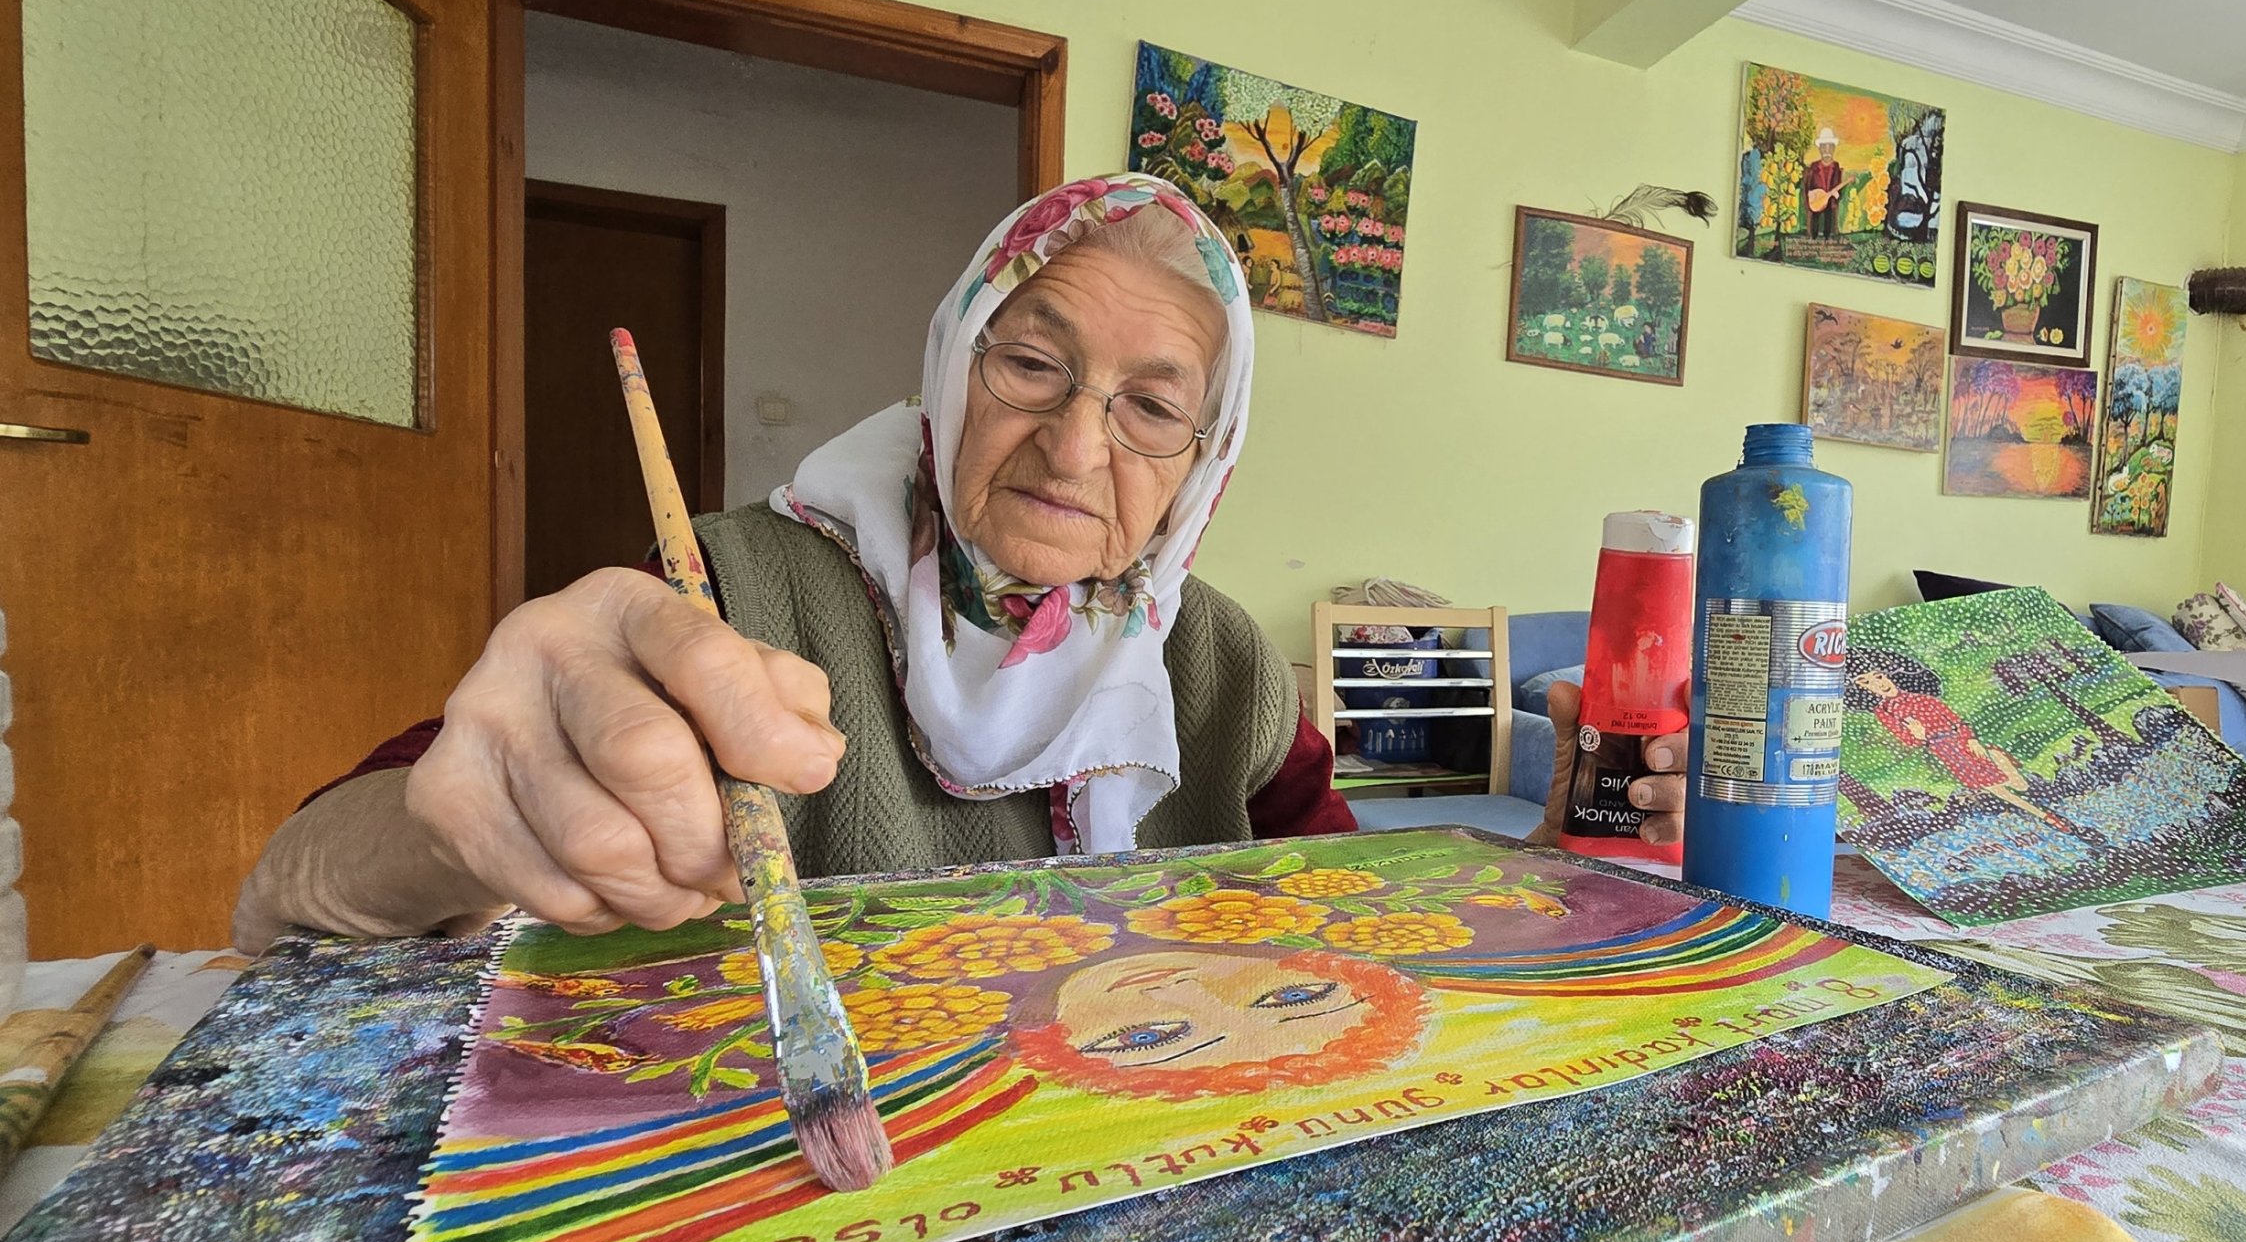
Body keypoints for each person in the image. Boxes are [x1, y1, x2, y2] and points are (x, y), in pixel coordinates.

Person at [234, 174, 1687, 955]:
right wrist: (452, 827)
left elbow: (1365, 929)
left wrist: (1561, 873)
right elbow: (296, 885)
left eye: (1152, 408)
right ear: (947, 370)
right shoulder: (728, 597)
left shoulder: (1217, 661)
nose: (1072, 448)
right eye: (1033, 363)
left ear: (1203, 459)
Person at [1844, 647, 2067, 831]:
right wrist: (1918, 734)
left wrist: (1971, 739)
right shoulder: (1884, 712)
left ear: (1888, 674)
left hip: (1960, 740)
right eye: (1866, 682)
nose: (1877, 684)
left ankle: (2040, 799)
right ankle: (2045, 816)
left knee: (2014, 778)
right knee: (1996, 789)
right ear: (1862, 689)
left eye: (1878, 677)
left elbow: (1956, 721)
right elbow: (1909, 741)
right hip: (1943, 749)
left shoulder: (1922, 699)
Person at [1803, 127, 1842, 238]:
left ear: (1833, 149)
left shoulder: (1836, 166)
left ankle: (1827, 236)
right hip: (1817, 197)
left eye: (1829, 147)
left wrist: (1837, 193)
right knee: (1816, 215)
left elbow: (1837, 181)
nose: (1827, 150)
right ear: (1820, 149)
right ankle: (1814, 236)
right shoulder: (1814, 166)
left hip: (1829, 198)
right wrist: (1811, 193)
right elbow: (1809, 183)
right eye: (1824, 147)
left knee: (1829, 214)